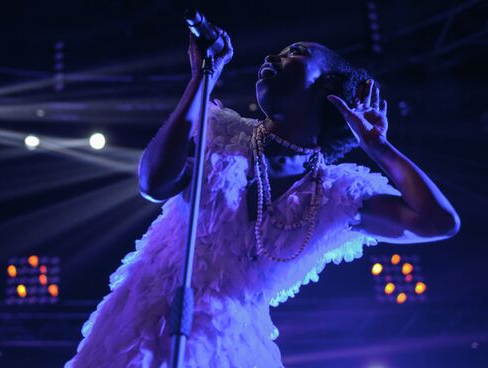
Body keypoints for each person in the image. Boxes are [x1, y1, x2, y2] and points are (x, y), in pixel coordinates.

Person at [65, 29, 460, 367]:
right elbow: (154, 182)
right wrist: (201, 79)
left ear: (329, 90)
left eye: (296, 54)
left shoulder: (337, 194)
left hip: (231, 345)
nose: (274, 56)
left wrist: (380, 148)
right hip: (146, 321)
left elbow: (438, 222)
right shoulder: (219, 131)